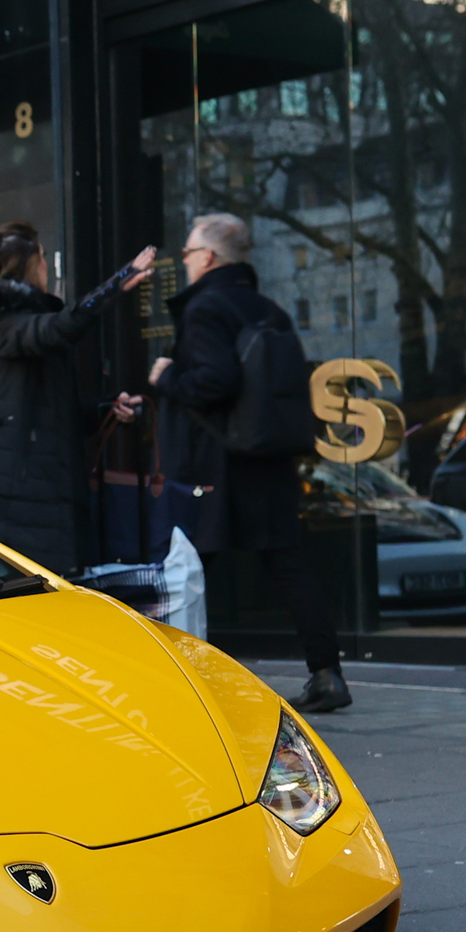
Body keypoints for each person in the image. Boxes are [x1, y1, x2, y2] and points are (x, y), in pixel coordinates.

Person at [149, 212, 348, 713]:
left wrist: (167, 377)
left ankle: (169, 678)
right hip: (268, 457)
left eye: (190, 254)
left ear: (209, 257)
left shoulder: (206, 308)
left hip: (217, 463)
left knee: (187, 568)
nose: (187, 262)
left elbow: (214, 382)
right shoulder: (269, 309)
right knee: (287, 563)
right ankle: (327, 672)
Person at [0, 222, 154, 573]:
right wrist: (115, 286)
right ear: (27, 266)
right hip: (8, 499)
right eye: (41, 258)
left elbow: (52, 414)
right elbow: (57, 329)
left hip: (33, 493)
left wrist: (107, 410)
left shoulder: (19, 322)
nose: (47, 266)